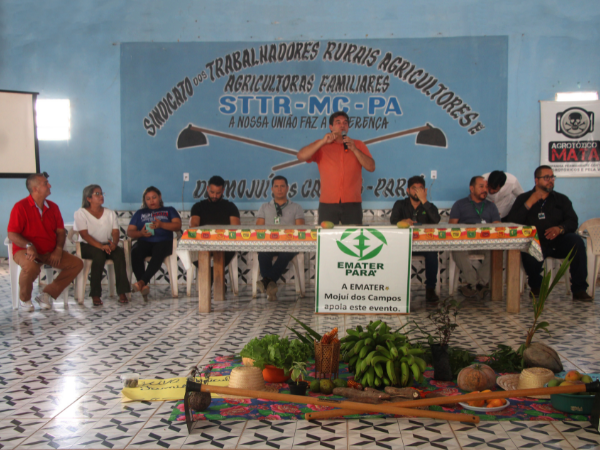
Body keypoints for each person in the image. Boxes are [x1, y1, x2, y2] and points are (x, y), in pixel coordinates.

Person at [506, 165, 592, 302]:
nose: (550, 180)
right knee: (528, 247)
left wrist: (560, 228)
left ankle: (579, 289)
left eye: (552, 177)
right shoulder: (523, 198)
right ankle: (536, 286)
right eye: (546, 177)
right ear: (536, 180)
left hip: (558, 241)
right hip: (535, 242)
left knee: (577, 241)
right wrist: (529, 203)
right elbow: (512, 222)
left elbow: (573, 221)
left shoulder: (561, 199)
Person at [7, 173, 83, 311]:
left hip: (50, 251)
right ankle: (25, 299)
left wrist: (58, 249)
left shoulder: (53, 207)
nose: (50, 185)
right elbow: (12, 233)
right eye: (45, 183)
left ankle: (47, 294)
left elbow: (60, 232)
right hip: (26, 251)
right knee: (31, 267)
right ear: (35, 188)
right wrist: (29, 245)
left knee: (76, 264)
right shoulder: (20, 207)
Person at [297, 111, 375, 225]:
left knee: (352, 240)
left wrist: (354, 149)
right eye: (338, 122)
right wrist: (322, 142)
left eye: (345, 123)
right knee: (326, 239)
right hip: (327, 203)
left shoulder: (358, 145)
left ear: (348, 127)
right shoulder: (322, 145)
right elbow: (301, 156)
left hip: (352, 203)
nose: (342, 125)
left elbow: (371, 167)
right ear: (331, 127)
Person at [73, 185, 131, 305]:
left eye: (101, 193)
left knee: (119, 253)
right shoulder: (80, 213)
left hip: (107, 245)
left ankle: (122, 292)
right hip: (87, 246)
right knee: (99, 254)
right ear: (88, 198)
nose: (101, 196)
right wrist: (100, 246)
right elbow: (84, 235)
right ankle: (95, 294)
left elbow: (115, 231)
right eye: (97, 194)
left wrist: (114, 244)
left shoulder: (110, 213)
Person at [390, 176, 441, 302]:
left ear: (425, 191)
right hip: (404, 245)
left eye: (420, 189)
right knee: (393, 253)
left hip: (424, 245)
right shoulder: (400, 204)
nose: (417, 191)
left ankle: (430, 289)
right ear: (408, 190)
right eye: (414, 188)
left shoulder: (429, 206)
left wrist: (424, 201)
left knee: (432, 253)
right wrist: (403, 220)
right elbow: (392, 221)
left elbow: (436, 221)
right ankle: (397, 288)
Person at [449, 176, 501, 298]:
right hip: (465, 243)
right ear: (471, 188)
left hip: (485, 243)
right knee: (456, 250)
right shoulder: (460, 204)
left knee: (497, 250)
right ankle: (477, 284)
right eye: (481, 186)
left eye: (486, 187)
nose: (485, 190)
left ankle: (476, 285)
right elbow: (451, 226)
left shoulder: (491, 206)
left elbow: (497, 226)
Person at [256, 176, 305, 301]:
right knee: (263, 253)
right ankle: (270, 283)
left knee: (287, 252)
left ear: (287, 188)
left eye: (282, 186)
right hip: (269, 243)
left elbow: (300, 229)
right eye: (276, 186)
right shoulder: (265, 207)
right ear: (272, 189)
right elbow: (258, 229)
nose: (279, 189)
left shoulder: (296, 207)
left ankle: (266, 281)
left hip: (289, 244)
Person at [127, 186, 182, 299]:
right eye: (148, 199)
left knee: (159, 250)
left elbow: (178, 226)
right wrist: (141, 233)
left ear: (159, 197)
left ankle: (141, 283)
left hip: (164, 242)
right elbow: (130, 232)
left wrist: (161, 225)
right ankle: (143, 286)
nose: (151, 201)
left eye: (154, 197)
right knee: (135, 251)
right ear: (144, 200)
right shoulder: (140, 213)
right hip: (145, 241)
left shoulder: (169, 210)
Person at [189, 175, 241, 289]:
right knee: (191, 252)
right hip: (203, 243)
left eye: (218, 193)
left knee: (232, 247)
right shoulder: (198, 207)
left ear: (223, 191)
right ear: (207, 189)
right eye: (212, 192)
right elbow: (194, 226)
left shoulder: (230, 207)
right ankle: (217, 276)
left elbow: (235, 228)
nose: (214, 196)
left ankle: (211, 276)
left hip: (224, 244)